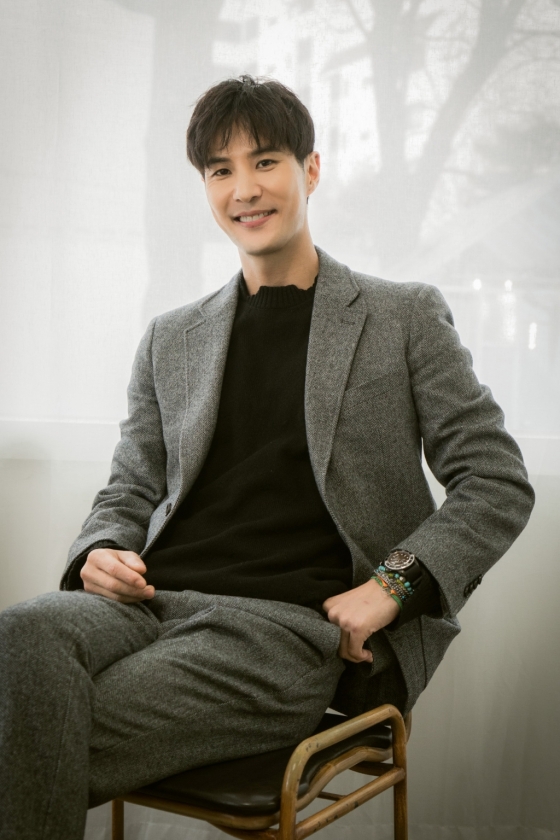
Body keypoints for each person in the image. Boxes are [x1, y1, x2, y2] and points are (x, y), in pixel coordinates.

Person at [0, 75, 534, 839]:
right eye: (221, 170)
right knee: (21, 634)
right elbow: (131, 484)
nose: (244, 189)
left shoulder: (402, 316)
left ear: (310, 170)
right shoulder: (171, 337)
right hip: (147, 605)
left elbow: (495, 481)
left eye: (265, 162)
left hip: (282, 629)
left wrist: (392, 587)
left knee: (28, 727)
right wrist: (101, 550)